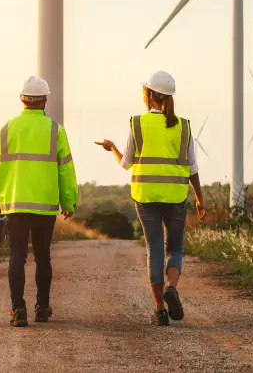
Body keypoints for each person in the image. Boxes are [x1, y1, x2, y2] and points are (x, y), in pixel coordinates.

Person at [96, 70, 206, 326]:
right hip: (176, 196)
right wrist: (200, 200)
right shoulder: (185, 126)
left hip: (145, 197)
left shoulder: (137, 123)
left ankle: (159, 309)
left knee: (154, 249)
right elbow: (192, 169)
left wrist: (111, 148)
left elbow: (126, 163)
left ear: (148, 95)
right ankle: (173, 288)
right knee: (175, 248)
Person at [0, 75, 78, 327]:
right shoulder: (56, 131)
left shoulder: (4, 130)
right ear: (45, 100)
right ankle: (43, 307)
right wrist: (69, 202)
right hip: (45, 205)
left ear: (21, 99)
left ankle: (18, 310)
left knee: (17, 256)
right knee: (43, 256)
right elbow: (66, 170)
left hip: (14, 204)